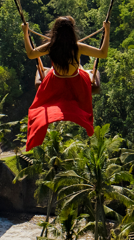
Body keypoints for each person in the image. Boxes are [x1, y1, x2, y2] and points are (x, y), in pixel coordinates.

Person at [23, 16, 109, 150]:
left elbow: (31, 53)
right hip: (76, 82)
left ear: (55, 31)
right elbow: (102, 53)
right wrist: (107, 31)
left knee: (50, 71)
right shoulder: (77, 47)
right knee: (86, 71)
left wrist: (25, 32)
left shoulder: (51, 47)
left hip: (55, 82)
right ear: (72, 31)